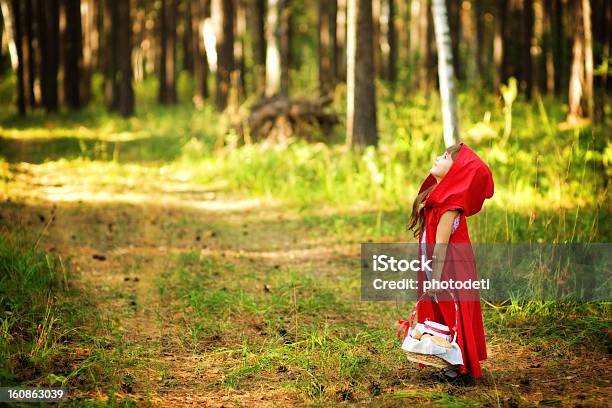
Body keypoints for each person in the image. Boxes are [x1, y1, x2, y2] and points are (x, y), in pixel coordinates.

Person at [406, 142, 494, 382]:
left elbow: (442, 245)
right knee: (443, 312)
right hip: (438, 267)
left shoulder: (450, 207)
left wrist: (434, 279)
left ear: (457, 172)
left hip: (450, 270)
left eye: (445, 157)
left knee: (455, 313)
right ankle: (450, 360)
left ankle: (462, 366)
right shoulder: (440, 200)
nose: (437, 157)